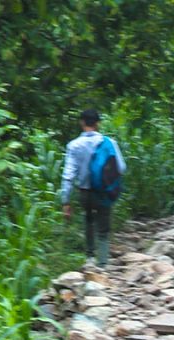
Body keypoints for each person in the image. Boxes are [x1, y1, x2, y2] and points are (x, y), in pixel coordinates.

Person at [59, 109, 122, 264]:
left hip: (85, 191)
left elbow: (68, 175)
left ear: (82, 122)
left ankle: (89, 258)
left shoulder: (74, 145)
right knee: (104, 226)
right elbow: (121, 167)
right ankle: (103, 263)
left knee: (88, 220)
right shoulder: (109, 143)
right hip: (104, 190)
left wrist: (66, 201)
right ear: (98, 123)